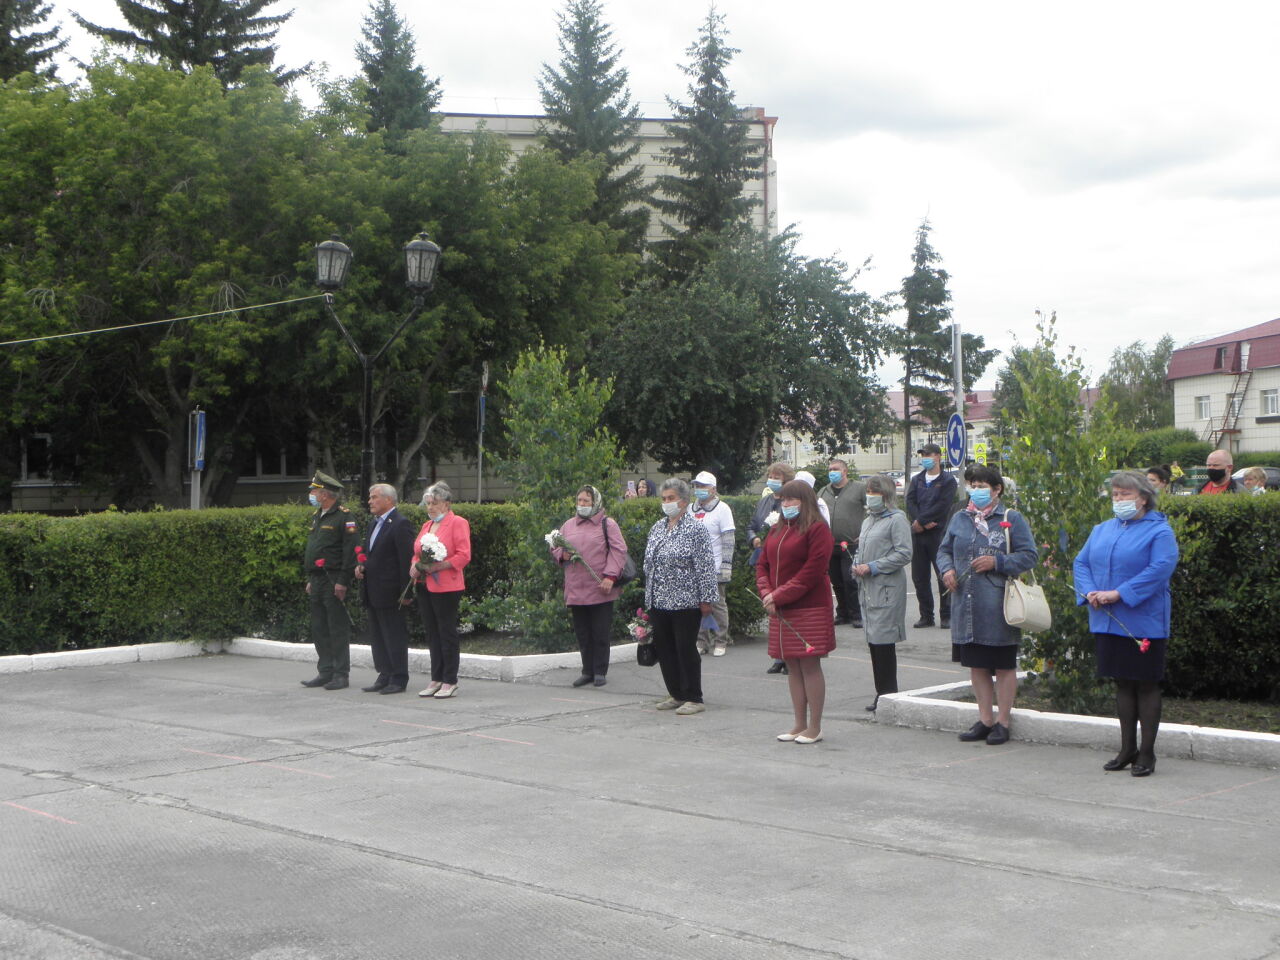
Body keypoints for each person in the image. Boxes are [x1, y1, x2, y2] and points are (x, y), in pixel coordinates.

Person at [1073, 471, 1179, 777]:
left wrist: (1120, 593)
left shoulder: (1159, 531)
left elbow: (1161, 568)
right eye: (1115, 495)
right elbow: (1081, 562)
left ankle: (1147, 753)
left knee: (1146, 685)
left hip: (1143, 620)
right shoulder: (1102, 529)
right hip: (1108, 619)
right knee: (1122, 683)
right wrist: (1090, 591)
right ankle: (1127, 748)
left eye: (1125, 495)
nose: (1119, 500)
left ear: (1143, 498)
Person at [937, 466, 1038, 746]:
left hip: (998, 606)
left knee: (1003, 666)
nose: (977, 489)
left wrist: (998, 562)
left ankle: (1003, 722)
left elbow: (1029, 555)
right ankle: (984, 719)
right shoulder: (960, 518)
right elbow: (944, 550)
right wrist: (947, 571)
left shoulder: (1010, 518)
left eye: (983, 485)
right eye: (972, 484)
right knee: (977, 666)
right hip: (965, 605)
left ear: (997, 489)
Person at [756, 479, 836, 743]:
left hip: (809, 606)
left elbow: (812, 571)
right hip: (781, 607)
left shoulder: (817, 529)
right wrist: (767, 593)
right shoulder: (777, 530)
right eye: (783, 500)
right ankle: (798, 724)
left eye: (792, 500)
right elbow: (762, 565)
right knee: (792, 663)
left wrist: (778, 595)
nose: (786, 504)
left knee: (809, 664)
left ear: (805, 501)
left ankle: (815, 726)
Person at [643, 478, 718, 715]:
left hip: (686, 600)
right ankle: (676, 693)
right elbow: (649, 562)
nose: (667, 503)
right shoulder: (657, 527)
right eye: (664, 499)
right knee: (665, 648)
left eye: (671, 498)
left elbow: (705, 566)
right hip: (658, 599)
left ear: (684, 501)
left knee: (685, 648)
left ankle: (694, 696)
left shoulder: (695, 529)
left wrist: (706, 599)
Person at [551, 485, 627, 687]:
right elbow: (556, 548)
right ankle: (587, 671)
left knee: (600, 631)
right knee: (583, 632)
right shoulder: (568, 525)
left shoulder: (607, 524)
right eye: (579, 501)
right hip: (576, 588)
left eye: (586, 501)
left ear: (596, 502)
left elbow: (618, 551)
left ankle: (600, 670)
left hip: (600, 587)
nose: (582, 505)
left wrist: (610, 576)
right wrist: (561, 554)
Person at [851, 475, 912, 712]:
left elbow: (904, 553)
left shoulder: (897, 519)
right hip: (867, 588)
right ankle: (882, 693)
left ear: (885, 495)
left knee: (883, 642)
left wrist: (873, 567)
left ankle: (888, 694)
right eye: (868, 491)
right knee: (874, 642)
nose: (869, 496)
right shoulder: (868, 520)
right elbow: (861, 549)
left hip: (886, 587)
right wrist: (856, 564)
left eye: (873, 492)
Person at [412, 482, 472, 700]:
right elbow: (417, 551)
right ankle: (436, 677)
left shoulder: (457, 523)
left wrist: (439, 566)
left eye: (435, 503)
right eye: (428, 504)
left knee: (446, 631)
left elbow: (464, 555)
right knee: (431, 631)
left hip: (447, 585)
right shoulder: (426, 526)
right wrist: (415, 565)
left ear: (447, 504)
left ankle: (449, 679)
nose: (430, 508)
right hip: (425, 584)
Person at [301, 471, 359, 691]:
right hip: (317, 579)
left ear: (325, 494)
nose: (312, 494)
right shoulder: (318, 515)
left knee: (337, 628)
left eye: (314, 491)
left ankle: (340, 674)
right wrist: (310, 578)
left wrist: (343, 580)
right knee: (319, 627)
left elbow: (350, 551)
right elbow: (315, 548)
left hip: (334, 578)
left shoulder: (344, 516)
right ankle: (325, 671)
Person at [355, 483, 415, 695]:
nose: (370, 501)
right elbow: (370, 553)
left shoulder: (400, 524)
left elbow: (405, 559)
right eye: (370, 497)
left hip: (391, 593)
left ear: (388, 500)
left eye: (374, 497)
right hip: (373, 590)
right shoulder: (374, 524)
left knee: (394, 635)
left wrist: (406, 592)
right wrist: (362, 566)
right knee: (378, 636)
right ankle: (384, 674)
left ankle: (398, 677)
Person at [748, 462, 796, 675]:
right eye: (771, 476)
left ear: (786, 479)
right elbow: (751, 525)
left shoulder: (793, 503)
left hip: (786, 562)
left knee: (788, 610)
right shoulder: (765, 501)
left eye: (777, 476)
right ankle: (778, 656)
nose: (772, 480)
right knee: (772, 610)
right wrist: (755, 538)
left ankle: (791, 657)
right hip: (767, 561)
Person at [906, 442, 958, 628]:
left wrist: (922, 521)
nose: (925, 458)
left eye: (928, 455)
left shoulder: (948, 480)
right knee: (919, 577)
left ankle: (946, 615)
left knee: (942, 574)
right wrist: (918, 522)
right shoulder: (917, 479)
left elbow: (943, 505)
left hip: (938, 533)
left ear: (938, 456)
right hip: (918, 534)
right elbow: (910, 501)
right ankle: (926, 616)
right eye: (923, 455)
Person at [690, 471, 735, 657]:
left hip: (715, 566)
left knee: (716, 605)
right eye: (697, 486)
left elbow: (728, 540)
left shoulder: (722, 509)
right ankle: (701, 641)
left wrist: (725, 566)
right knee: (696, 606)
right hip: (693, 567)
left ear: (713, 489)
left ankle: (721, 640)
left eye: (703, 486)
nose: (699, 490)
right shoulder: (691, 509)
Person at [819, 459, 867, 628]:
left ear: (845, 471)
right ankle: (843, 613)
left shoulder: (859, 489)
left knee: (850, 580)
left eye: (836, 469)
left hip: (851, 543)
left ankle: (856, 613)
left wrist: (865, 533)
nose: (832, 472)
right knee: (836, 580)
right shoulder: (823, 492)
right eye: (830, 469)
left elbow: (873, 509)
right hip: (830, 544)